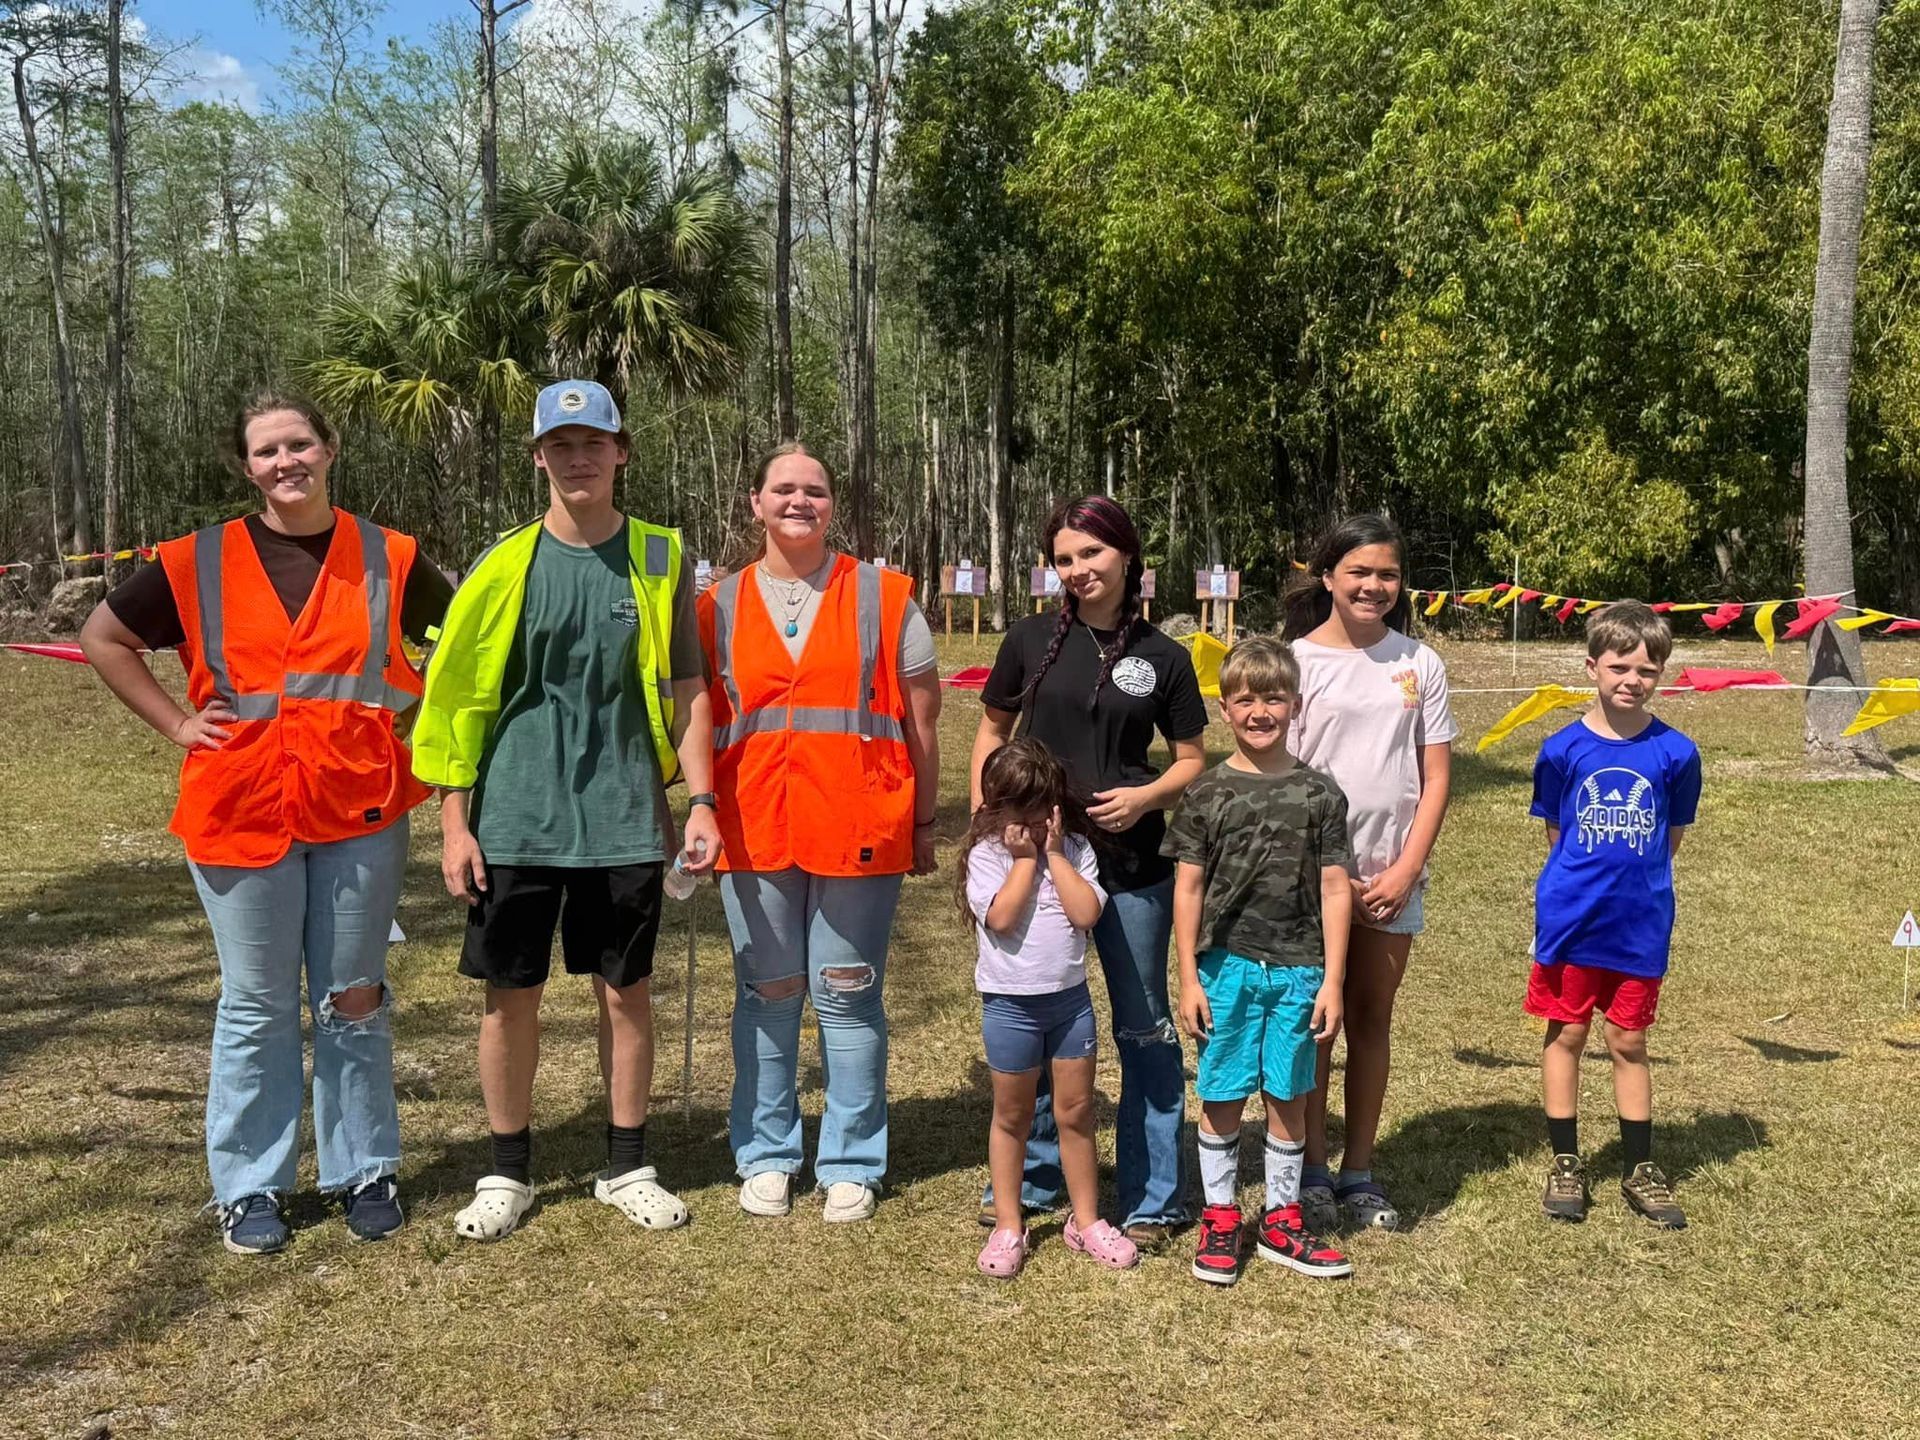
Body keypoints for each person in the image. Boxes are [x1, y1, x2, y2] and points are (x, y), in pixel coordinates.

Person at [78, 391, 452, 1255]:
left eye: (300, 444)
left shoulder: (390, 556)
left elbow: (465, 646)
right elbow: (105, 637)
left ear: (330, 449)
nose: (286, 462)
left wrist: (423, 720)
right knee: (255, 1004)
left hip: (358, 806)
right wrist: (177, 724)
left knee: (353, 998)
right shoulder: (196, 559)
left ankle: (366, 1169)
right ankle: (250, 1187)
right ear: (247, 468)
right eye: (267, 452)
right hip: (240, 805)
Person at [413, 379, 719, 1242]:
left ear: (621, 452)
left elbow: (686, 687)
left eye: (595, 442)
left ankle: (627, 1165)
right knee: (510, 998)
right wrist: (453, 820)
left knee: (626, 994)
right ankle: (506, 1172)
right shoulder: (502, 564)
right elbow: (462, 698)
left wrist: (701, 801)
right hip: (514, 819)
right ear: (539, 457)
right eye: (561, 444)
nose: (578, 458)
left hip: (625, 816)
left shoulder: (662, 557)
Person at [697, 442, 942, 1223]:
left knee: (848, 996)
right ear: (755, 503)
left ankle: (851, 1161)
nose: (800, 501)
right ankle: (767, 1153)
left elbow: (925, 722)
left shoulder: (887, 595)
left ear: (832, 505)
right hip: (754, 825)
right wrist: (699, 807)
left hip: (859, 826)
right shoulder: (716, 606)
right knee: (768, 995)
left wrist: (926, 821)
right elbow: (696, 717)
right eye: (784, 489)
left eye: (816, 491)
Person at [971, 496, 1207, 1247]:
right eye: (1065, 559)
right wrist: (994, 820)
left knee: (1144, 1031)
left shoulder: (1165, 657)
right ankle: (1035, 1183)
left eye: (1092, 555)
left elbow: (1194, 762)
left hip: (1133, 872)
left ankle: (1154, 1195)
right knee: (1040, 1021)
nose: (1078, 570)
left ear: (1128, 556)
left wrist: (1145, 797)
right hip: (1037, 871)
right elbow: (989, 730)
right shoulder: (1029, 637)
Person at [1281, 515, 1456, 1232]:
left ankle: (1360, 1170)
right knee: (1317, 1024)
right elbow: (1279, 774)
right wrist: (1321, 873)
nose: (1374, 586)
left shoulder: (1421, 663)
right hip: (1306, 879)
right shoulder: (1291, 663)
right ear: (1327, 576)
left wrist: (1407, 869)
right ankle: (1313, 1172)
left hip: (1392, 879)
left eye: (1387, 574)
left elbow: (1436, 777)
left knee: (1371, 1020)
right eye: (1359, 572)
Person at [1165, 637, 1355, 1286]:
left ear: (1295, 705)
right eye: (1245, 699)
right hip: (1225, 969)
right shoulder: (1206, 794)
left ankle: (1281, 1219)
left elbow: (1336, 887)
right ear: (1225, 709)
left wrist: (1332, 978)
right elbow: (1187, 887)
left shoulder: (1321, 795)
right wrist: (1189, 976)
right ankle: (1220, 1217)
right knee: (1220, 1091)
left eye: (1274, 698)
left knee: (1288, 1093)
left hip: (1301, 971)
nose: (1259, 711)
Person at [1529, 601, 1699, 1229]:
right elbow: (1557, 832)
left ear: (1662, 674)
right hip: (1573, 920)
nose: (1632, 680)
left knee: (1628, 1038)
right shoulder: (1561, 749)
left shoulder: (1677, 754)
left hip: (1640, 924)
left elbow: (1669, 837)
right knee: (1567, 1033)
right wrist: (1576, 895)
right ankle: (1567, 1160)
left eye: (1647, 670)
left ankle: (1639, 1168)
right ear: (1591, 666)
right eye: (1619, 666)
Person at [962, 739, 1139, 1278]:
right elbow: (1001, 918)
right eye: (1021, 810)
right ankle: (1009, 1225)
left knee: (1076, 1113)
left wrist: (1056, 856)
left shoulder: (1077, 851)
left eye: (1043, 808)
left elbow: (1085, 913)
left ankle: (1086, 1221)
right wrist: (1023, 861)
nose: (1035, 821)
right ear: (996, 808)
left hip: (1070, 1008)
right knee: (1013, 1116)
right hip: (1010, 1008)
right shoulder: (988, 855)